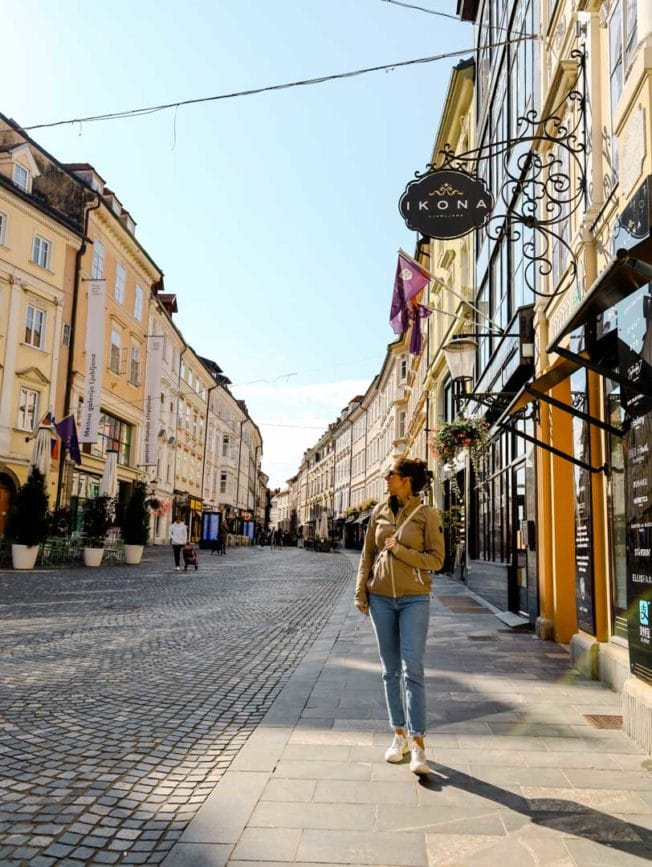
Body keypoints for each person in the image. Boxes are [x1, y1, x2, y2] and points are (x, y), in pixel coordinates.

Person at [354, 458, 445, 775]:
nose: (385, 477)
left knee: (413, 670)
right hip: (380, 599)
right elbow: (368, 553)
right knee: (389, 671)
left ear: (406, 480)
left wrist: (399, 551)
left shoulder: (427, 514)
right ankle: (399, 737)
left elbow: (437, 560)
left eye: (390, 474)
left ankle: (419, 746)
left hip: (414, 600)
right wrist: (360, 591)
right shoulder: (379, 511)